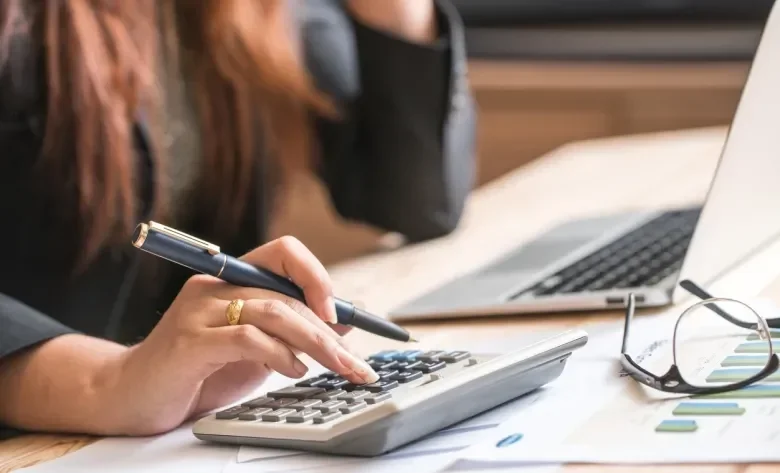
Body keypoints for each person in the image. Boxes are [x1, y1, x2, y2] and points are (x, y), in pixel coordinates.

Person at [0, 0, 476, 439]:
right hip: (42, 432)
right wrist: (104, 381)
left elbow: (416, 202)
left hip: (182, 429)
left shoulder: (267, 12)